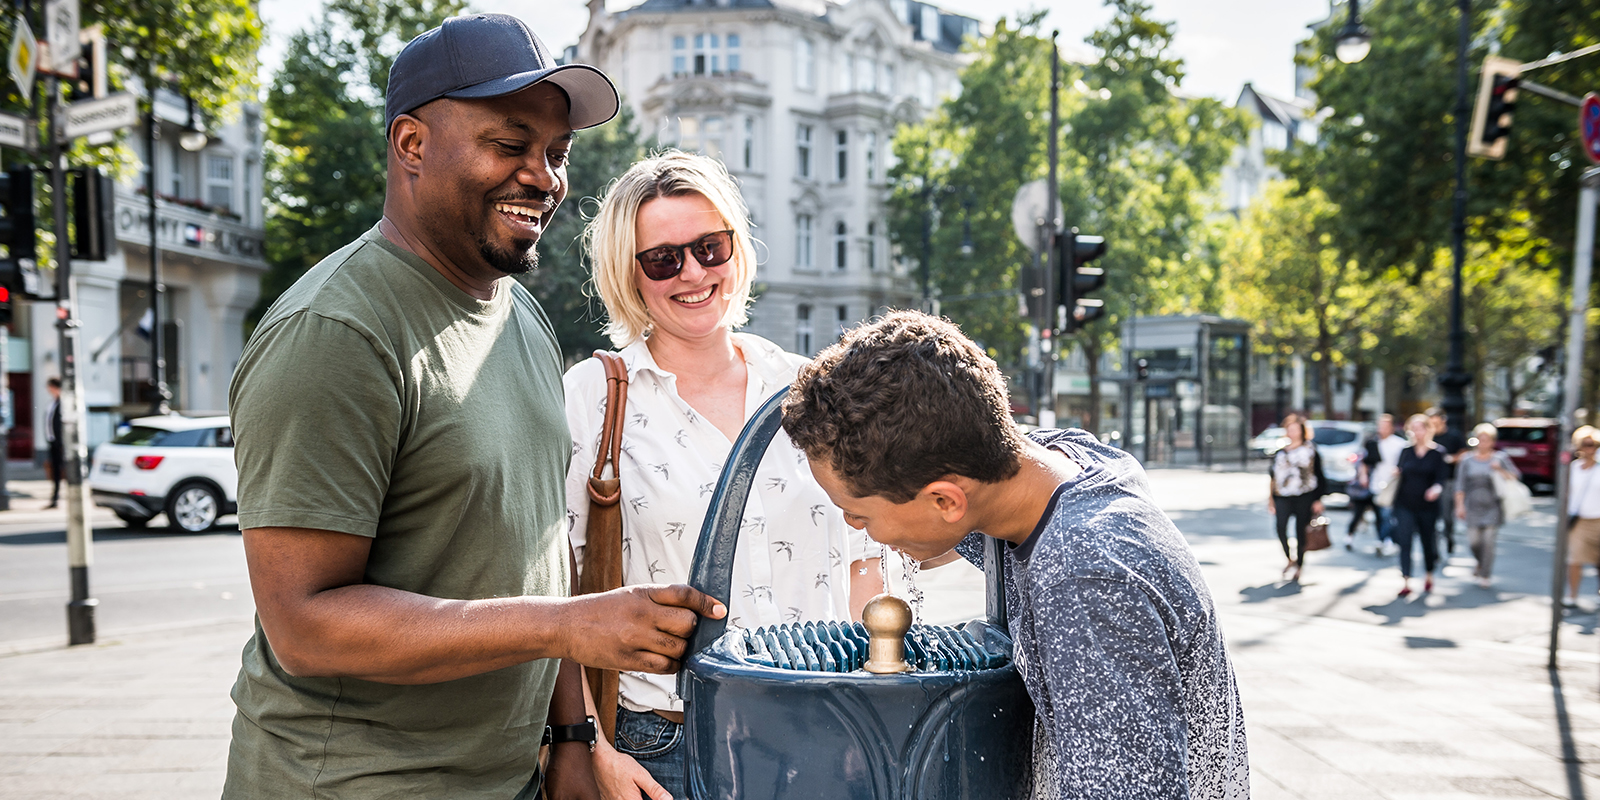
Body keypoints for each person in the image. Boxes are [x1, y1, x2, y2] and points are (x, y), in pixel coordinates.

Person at [223, 16, 726, 799]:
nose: (545, 177)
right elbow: (304, 625)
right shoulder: (335, 331)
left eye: (556, 154)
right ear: (412, 144)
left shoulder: (519, 319)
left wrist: (570, 736)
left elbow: (537, 551)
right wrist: (571, 625)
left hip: (507, 779)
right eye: (510, 143)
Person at [781, 311, 1249, 799]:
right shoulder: (1051, 465)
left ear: (946, 500)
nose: (853, 527)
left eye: (857, 512)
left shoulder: (1085, 580)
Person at [565, 150, 881, 800]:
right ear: (630, 274)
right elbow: (557, 592)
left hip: (823, 734)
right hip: (667, 746)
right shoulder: (594, 396)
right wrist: (593, 746)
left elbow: (864, 567)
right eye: (664, 258)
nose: (694, 273)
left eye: (710, 247)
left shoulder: (812, 387)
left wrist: (872, 720)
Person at [1454, 423, 1519, 589]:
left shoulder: (1500, 458)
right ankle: (1479, 562)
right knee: (1474, 542)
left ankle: (1485, 574)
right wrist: (1459, 506)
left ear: (1492, 442)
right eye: (1480, 439)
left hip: (1493, 506)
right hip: (1472, 505)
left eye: (1487, 440)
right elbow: (1460, 485)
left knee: (1489, 542)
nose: (1483, 443)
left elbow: (1515, 477)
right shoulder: (1467, 459)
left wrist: (1500, 470)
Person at [1392, 413, 1451, 598]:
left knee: (1428, 541)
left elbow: (1441, 478)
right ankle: (1406, 580)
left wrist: (1436, 488)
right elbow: (1400, 471)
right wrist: (1395, 474)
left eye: (1421, 428)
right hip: (1405, 503)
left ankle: (1429, 575)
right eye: (1414, 428)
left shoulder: (1437, 452)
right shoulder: (1406, 451)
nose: (1418, 432)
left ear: (1428, 430)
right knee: (1405, 541)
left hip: (1427, 505)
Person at [1267, 414, 1325, 582]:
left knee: (1301, 532)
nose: (1292, 432)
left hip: (1304, 496)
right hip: (1282, 496)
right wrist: (1270, 498)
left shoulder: (1310, 451)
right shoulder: (1280, 451)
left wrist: (1318, 499)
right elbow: (1273, 477)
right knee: (1280, 528)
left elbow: (1320, 476)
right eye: (1289, 429)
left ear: (1302, 431)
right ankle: (1289, 558)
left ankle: (1299, 564)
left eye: (1295, 429)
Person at [1566, 426, 1600, 609]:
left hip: (1599, 520)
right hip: (1579, 520)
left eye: (1594, 444)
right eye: (1586, 444)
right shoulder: (1573, 468)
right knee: (1574, 559)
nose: (1590, 448)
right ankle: (1572, 595)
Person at [1429, 407, 1468, 554]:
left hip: (1449, 480)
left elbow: (1464, 454)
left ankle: (1449, 537)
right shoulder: (1429, 438)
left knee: (1446, 516)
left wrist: (1451, 458)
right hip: (1432, 482)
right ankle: (1435, 550)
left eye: (1436, 423)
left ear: (1443, 421)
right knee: (1433, 517)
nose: (1434, 427)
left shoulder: (1454, 435)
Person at [1367, 413, 1406, 556]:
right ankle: (1387, 540)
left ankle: (1384, 540)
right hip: (1376, 483)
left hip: (1392, 484)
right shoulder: (1373, 442)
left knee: (1387, 515)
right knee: (1380, 515)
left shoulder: (1399, 444)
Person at [44, 377, 61, 509]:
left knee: (60, 470)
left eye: (49, 387)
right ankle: (55, 497)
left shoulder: (63, 402)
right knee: (55, 470)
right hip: (52, 441)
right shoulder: (53, 402)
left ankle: (56, 497)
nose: (48, 390)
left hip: (60, 443)